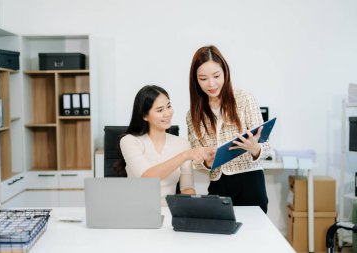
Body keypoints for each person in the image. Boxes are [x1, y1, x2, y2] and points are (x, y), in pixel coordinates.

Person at [186, 45, 271, 213]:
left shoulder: (245, 99)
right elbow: (196, 159)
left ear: (225, 72)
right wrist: (206, 162)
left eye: (216, 76)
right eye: (203, 78)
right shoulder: (193, 114)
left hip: (250, 182)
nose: (211, 84)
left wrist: (255, 148)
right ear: (195, 80)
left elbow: (267, 148)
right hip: (218, 185)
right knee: (219, 237)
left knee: (252, 236)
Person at [115, 85, 214, 206]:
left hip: (169, 212)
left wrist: (189, 210)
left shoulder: (182, 144)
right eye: (160, 110)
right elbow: (147, 178)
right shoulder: (129, 141)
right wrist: (185, 155)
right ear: (145, 116)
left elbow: (187, 187)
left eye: (168, 106)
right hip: (137, 212)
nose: (167, 113)